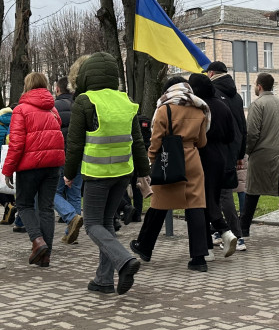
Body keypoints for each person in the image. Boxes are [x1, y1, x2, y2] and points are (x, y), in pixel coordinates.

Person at [63, 52, 149, 294]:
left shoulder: (84, 101)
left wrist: (69, 173)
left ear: (87, 75)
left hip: (97, 174)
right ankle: (103, 280)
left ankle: (124, 261)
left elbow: (75, 144)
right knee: (106, 224)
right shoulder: (125, 100)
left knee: (91, 225)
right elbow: (137, 142)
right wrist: (144, 171)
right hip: (123, 173)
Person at [130, 77, 211, 271]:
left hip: (168, 160)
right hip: (193, 159)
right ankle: (199, 258)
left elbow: (156, 140)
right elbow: (202, 142)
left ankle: (144, 246)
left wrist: (151, 159)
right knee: (196, 205)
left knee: (159, 203)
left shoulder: (164, 109)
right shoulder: (199, 107)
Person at [2, 72, 66, 267]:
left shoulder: (21, 110)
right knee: (46, 208)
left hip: (30, 166)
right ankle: (45, 256)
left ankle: (37, 241)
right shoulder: (53, 110)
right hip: (53, 165)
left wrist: (7, 170)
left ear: (27, 86)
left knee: (23, 204)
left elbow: (17, 143)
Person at [240, 73, 279, 244]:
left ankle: (244, 228)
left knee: (252, 192)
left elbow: (252, 133)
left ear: (259, 86)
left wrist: (247, 151)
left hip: (261, 156)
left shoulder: (257, 105)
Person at [189, 72, 238, 258]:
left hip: (202, 157)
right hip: (221, 158)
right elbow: (231, 136)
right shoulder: (223, 106)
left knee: (201, 203)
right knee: (213, 199)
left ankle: (220, 236)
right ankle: (211, 244)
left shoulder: (199, 109)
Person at [207, 61, 247, 250]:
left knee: (221, 194)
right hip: (234, 149)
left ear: (212, 73)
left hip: (217, 149)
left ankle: (236, 235)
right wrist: (240, 154)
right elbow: (242, 127)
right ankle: (218, 230)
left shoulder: (212, 93)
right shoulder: (237, 96)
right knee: (224, 192)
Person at [51, 76, 85, 244]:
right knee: (75, 192)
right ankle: (71, 232)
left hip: (59, 155)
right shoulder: (80, 106)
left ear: (58, 89)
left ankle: (71, 218)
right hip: (79, 155)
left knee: (53, 192)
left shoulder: (53, 107)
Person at [0, 107, 16, 224]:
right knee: (9, 188)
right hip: (10, 161)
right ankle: (8, 215)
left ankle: (7, 206)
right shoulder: (14, 125)